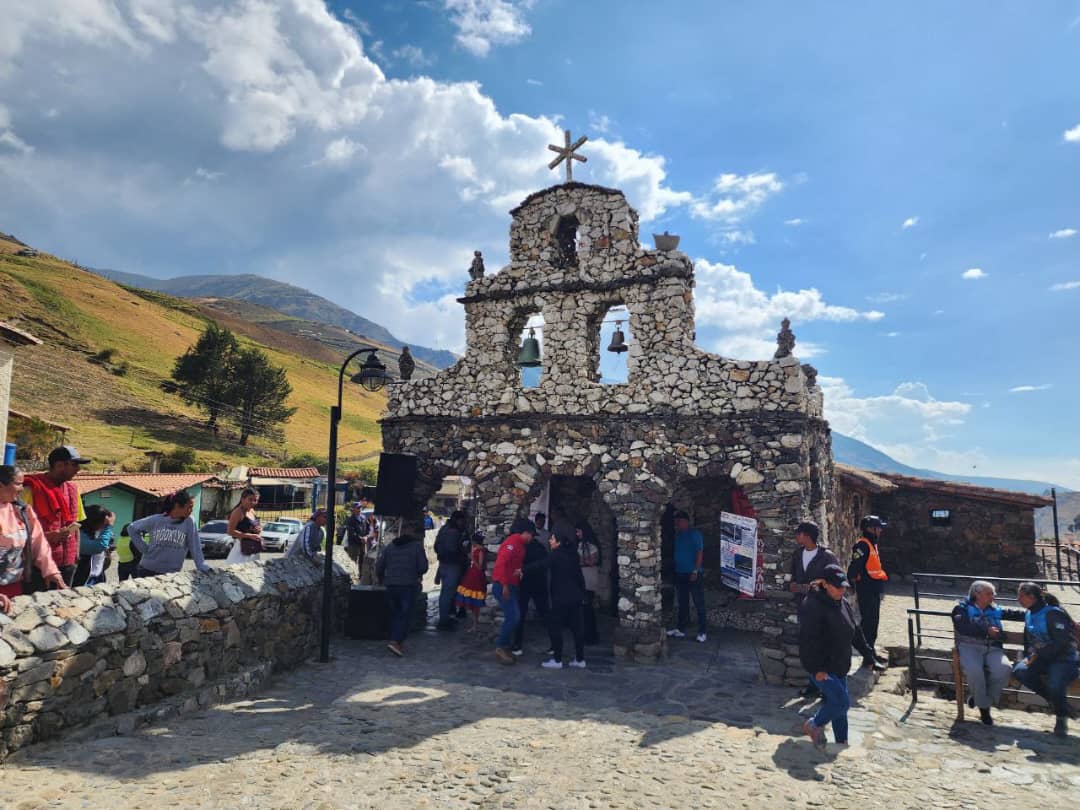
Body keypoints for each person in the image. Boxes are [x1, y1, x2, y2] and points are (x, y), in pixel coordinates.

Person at [798, 564, 877, 749]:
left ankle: (842, 742)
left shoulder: (843, 603)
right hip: (821, 667)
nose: (842, 589)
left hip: (840, 665)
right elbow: (807, 640)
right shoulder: (812, 605)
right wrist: (817, 669)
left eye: (843, 586)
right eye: (837, 586)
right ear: (824, 584)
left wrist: (868, 654)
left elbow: (855, 632)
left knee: (838, 706)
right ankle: (814, 725)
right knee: (842, 702)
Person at [951, 580, 1025, 726]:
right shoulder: (961, 609)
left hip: (993, 648)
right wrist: (986, 630)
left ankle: (979, 699)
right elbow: (963, 627)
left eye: (993, 593)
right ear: (977, 594)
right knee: (974, 671)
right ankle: (985, 710)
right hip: (969, 646)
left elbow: (1017, 614)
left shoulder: (995, 609)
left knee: (1004, 669)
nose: (993, 597)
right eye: (989, 593)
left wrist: (1039, 611)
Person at [1012, 581, 1079, 737]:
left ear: (1032, 596)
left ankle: (1061, 718)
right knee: (1020, 671)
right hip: (1042, 658)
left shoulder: (1053, 613)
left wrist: (1040, 654)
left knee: (1055, 684)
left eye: (1021, 596)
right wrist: (1029, 655)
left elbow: (1061, 642)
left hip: (1063, 658)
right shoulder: (1029, 613)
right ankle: (1058, 703)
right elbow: (1029, 640)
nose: (1018, 599)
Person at [0, 465, 66, 612]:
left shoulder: (22, 511)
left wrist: (50, 570)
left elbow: (38, 542)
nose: (22, 488)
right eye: (18, 484)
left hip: (14, 586)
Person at [23, 445, 89, 588]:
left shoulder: (73, 490)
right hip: (38, 566)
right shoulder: (31, 489)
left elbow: (75, 524)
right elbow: (19, 531)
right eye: (74, 465)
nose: (78, 469)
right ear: (59, 465)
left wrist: (75, 556)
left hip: (67, 564)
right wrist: (49, 536)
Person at [128, 490, 210, 577]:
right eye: (189, 507)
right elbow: (131, 528)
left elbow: (195, 547)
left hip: (171, 573)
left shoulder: (189, 522)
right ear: (177, 506)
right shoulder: (156, 520)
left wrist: (202, 566)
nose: (191, 511)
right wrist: (144, 548)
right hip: (147, 570)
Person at [376, 533, 429, 657]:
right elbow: (423, 567)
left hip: (391, 585)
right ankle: (396, 641)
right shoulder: (416, 547)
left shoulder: (389, 547)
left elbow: (379, 567)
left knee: (395, 613)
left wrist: (381, 579)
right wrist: (417, 573)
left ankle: (396, 641)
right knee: (405, 615)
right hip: (408, 585)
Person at [541, 528, 587, 670]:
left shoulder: (555, 555)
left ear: (559, 542)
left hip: (560, 597)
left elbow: (541, 565)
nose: (549, 541)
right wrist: (582, 594)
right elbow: (580, 577)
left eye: (552, 539)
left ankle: (557, 659)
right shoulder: (573, 555)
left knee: (555, 627)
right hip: (575, 597)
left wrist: (522, 569)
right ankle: (580, 659)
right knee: (577, 629)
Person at [491, 518, 534, 665]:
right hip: (505, 585)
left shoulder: (520, 544)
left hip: (512, 584)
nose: (532, 538)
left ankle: (504, 646)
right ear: (526, 533)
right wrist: (504, 585)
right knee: (514, 616)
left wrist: (519, 571)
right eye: (531, 535)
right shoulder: (512, 543)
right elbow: (501, 564)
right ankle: (500, 646)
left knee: (514, 616)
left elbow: (513, 564)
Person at [847, 515, 888, 650]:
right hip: (866, 588)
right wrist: (852, 584)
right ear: (870, 529)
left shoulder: (872, 544)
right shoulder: (862, 545)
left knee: (873, 621)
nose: (881, 530)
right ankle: (867, 654)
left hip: (874, 588)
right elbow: (854, 566)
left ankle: (871, 650)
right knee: (869, 622)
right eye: (878, 528)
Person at [666, 510, 706, 643]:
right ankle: (681, 629)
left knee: (698, 602)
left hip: (693, 574)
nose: (678, 524)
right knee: (682, 603)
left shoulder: (694, 534)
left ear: (686, 522)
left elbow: (699, 553)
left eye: (680, 521)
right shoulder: (678, 536)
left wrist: (695, 571)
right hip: (680, 573)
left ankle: (702, 632)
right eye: (676, 522)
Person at [512, 520, 550, 655]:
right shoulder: (534, 546)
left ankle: (517, 644)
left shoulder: (534, 547)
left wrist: (524, 569)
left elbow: (544, 563)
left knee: (539, 612)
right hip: (530, 583)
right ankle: (517, 643)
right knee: (524, 613)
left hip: (532, 582)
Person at [433, 510, 469, 630]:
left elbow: (436, 547)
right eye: (462, 521)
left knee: (447, 592)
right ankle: (444, 621)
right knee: (447, 594)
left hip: (444, 564)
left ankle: (447, 618)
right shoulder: (453, 532)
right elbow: (452, 550)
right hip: (451, 565)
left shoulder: (444, 530)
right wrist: (462, 550)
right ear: (458, 520)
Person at [455, 531, 488, 632]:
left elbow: (480, 567)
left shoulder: (481, 551)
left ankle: (475, 624)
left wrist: (472, 558)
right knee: (473, 601)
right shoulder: (475, 549)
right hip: (471, 574)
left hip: (476, 576)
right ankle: (475, 624)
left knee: (475, 600)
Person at [72, 505, 112, 587]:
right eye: (103, 523)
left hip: (98, 575)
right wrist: (108, 527)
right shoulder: (78, 533)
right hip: (83, 579)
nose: (103, 526)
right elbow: (99, 546)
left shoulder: (96, 530)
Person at [576, 521, 601, 645]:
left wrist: (579, 560)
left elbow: (591, 561)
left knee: (587, 608)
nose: (577, 533)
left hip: (588, 579)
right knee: (584, 609)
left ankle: (591, 635)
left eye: (579, 531)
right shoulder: (580, 545)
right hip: (582, 578)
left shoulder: (591, 546)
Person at [225, 488, 262, 564]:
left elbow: (253, 525)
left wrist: (258, 529)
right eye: (250, 499)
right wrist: (249, 536)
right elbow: (230, 531)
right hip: (241, 549)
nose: (253, 502)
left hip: (253, 548)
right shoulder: (238, 512)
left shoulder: (252, 510)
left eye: (255, 500)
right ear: (242, 499)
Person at [86, 509, 116, 586]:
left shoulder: (102, 531)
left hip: (99, 573)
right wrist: (109, 526)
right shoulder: (84, 534)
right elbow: (100, 546)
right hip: (88, 577)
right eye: (105, 521)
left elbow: (110, 544)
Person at [344, 502, 369, 573]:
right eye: (358, 508)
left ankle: (360, 578)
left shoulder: (363, 517)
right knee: (353, 563)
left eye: (360, 508)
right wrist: (361, 538)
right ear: (353, 509)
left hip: (363, 544)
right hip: (353, 545)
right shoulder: (350, 519)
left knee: (363, 563)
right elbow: (352, 533)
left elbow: (368, 529)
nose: (359, 509)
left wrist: (366, 537)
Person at [359, 510, 381, 585]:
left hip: (374, 545)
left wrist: (368, 537)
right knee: (365, 559)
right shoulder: (366, 523)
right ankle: (364, 578)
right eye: (371, 515)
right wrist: (365, 537)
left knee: (373, 563)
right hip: (367, 545)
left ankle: (373, 579)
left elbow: (376, 534)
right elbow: (363, 532)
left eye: (373, 515)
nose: (372, 516)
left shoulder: (377, 523)